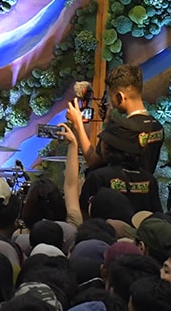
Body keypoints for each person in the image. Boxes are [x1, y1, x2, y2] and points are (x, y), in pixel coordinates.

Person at [66, 63, 164, 212]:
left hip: (116, 206)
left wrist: (78, 123)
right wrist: (108, 123)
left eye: (110, 96)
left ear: (120, 96)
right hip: (143, 203)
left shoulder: (123, 130)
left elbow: (92, 159)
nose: (110, 101)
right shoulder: (157, 127)